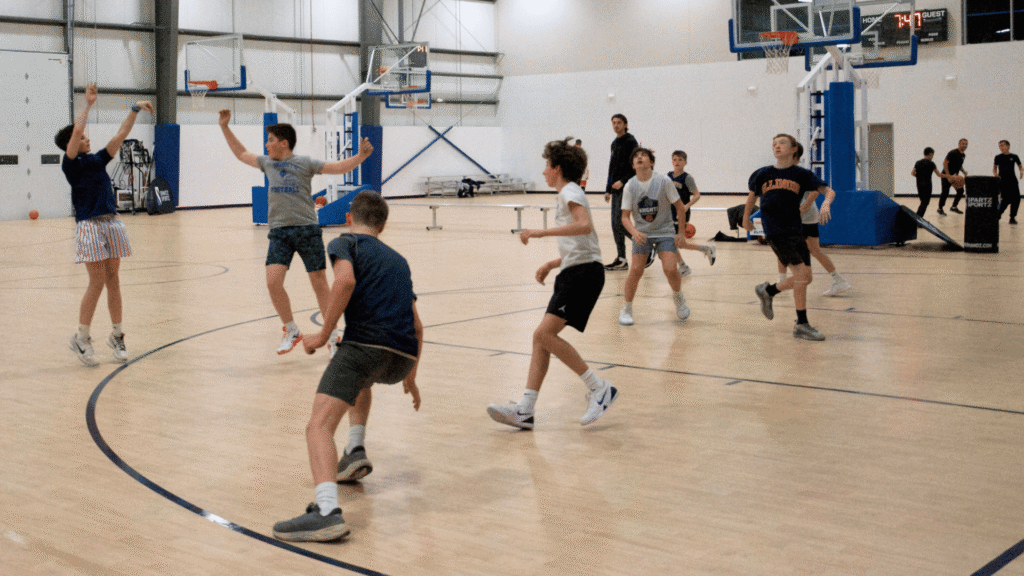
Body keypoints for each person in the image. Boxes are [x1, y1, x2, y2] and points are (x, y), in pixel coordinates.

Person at [272, 191, 423, 543]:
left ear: (349, 218)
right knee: (360, 380)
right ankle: (355, 450)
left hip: (364, 347)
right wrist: (411, 377)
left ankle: (326, 512)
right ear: (383, 225)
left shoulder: (345, 242)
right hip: (400, 357)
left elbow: (344, 281)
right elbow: (417, 326)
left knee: (318, 427)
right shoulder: (399, 260)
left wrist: (324, 334)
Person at [218, 109, 373, 354]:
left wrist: (360, 157)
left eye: (270, 140)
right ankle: (291, 329)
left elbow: (337, 167)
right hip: (279, 232)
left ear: (284, 143)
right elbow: (240, 153)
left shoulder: (305, 163)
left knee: (319, 283)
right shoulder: (266, 163)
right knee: (272, 282)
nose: (266, 145)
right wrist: (225, 127)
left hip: (307, 230)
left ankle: (332, 336)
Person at [487, 139, 616, 430]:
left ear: (557, 168)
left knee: (544, 335)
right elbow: (582, 242)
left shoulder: (569, 191)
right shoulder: (570, 192)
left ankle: (599, 388)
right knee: (540, 338)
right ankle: (526, 410)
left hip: (583, 275)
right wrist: (552, 263)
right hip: (576, 270)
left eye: (547, 166)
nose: (544, 171)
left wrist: (541, 233)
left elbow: (584, 226)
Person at [56, 84, 153, 366]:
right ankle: (81, 338)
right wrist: (87, 105)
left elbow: (121, 135)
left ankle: (117, 335)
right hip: (89, 225)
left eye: (86, 137)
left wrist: (134, 109)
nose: (86, 139)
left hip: (111, 223)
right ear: (70, 145)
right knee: (96, 280)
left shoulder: (98, 159)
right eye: (82, 137)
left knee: (113, 280)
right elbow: (75, 133)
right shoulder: (70, 164)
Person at [743, 134, 834, 341]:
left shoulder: (802, 174)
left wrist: (826, 203)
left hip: (796, 229)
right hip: (776, 230)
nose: (777, 146)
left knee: (806, 277)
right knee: (801, 275)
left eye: (782, 143)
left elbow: (828, 191)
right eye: (774, 144)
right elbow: (751, 197)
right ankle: (801, 324)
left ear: (794, 149)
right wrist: (746, 218)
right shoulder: (762, 173)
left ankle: (769, 291)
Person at [618, 147, 715, 326]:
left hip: (664, 232)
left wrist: (680, 233)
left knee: (670, 269)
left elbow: (679, 207)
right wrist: (634, 232)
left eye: (644, 155)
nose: (640, 158)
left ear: (651, 162)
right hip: (642, 235)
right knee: (636, 271)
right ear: (633, 164)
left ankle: (678, 298)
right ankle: (627, 309)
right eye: (636, 157)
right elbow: (624, 217)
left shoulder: (663, 181)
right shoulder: (630, 185)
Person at [776, 143, 850, 297]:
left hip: (806, 217)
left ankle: (838, 280)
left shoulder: (804, 174)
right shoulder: (776, 174)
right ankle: (838, 280)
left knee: (808, 250)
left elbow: (823, 192)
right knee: (791, 249)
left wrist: (824, 204)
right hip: (795, 216)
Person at [603, 114, 639, 271]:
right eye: (613, 123)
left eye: (619, 123)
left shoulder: (631, 141)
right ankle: (622, 259)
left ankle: (644, 244)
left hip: (628, 187)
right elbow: (612, 167)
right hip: (616, 189)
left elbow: (635, 166)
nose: (616, 125)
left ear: (625, 124)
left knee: (620, 222)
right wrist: (608, 189)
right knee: (614, 224)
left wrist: (623, 181)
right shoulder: (614, 143)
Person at [668, 150, 702, 276]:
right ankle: (705, 250)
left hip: (681, 213)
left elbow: (697, 195)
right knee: (674, 242)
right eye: (675, 159)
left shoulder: (687, 178)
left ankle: (683, 266)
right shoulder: (668, 176)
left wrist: (687, 206)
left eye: (680, 160)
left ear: (685, 162)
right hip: (669, 212)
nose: (677, 162)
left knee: (673, 242)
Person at [994, 140, 1023, 224]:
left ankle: (1012, 217)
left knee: (1016, 199)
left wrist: (1021, 171)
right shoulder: (998, 157)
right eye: (999, 146)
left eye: (1002, 145)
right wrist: (995, 174)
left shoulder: (1014, 156)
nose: (1001, 147)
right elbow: (994, 168)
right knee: (1005, 199)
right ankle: (997, 215)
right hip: (1003, 181)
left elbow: (1020, 166)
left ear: (1008, 146)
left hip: (1013, 181)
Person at [937, 138, 969, 216]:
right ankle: (940, 208)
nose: (964, 145)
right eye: (963, 143)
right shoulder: (953, 152)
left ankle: (954, 207)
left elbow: (959, 165)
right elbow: (945, 163)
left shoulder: (963, 155)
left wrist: (964, 171)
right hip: (946, 175)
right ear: (959, 144)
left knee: (960, 191)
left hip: (955, 176)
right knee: (945, 192)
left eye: (966, 144)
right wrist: (948, 176)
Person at [912, 147, 945, 217]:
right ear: (930, 154)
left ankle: (918, 218)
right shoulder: (932, 163)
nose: (932, 157)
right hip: (927, 185)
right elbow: (939, 174)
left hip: (919, 184)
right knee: (925, 202)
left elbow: (913, 173)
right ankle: (917, 219)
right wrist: (949, 176)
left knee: (923, 202)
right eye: (932, 155)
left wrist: (919, 176)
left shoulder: (918, 162)